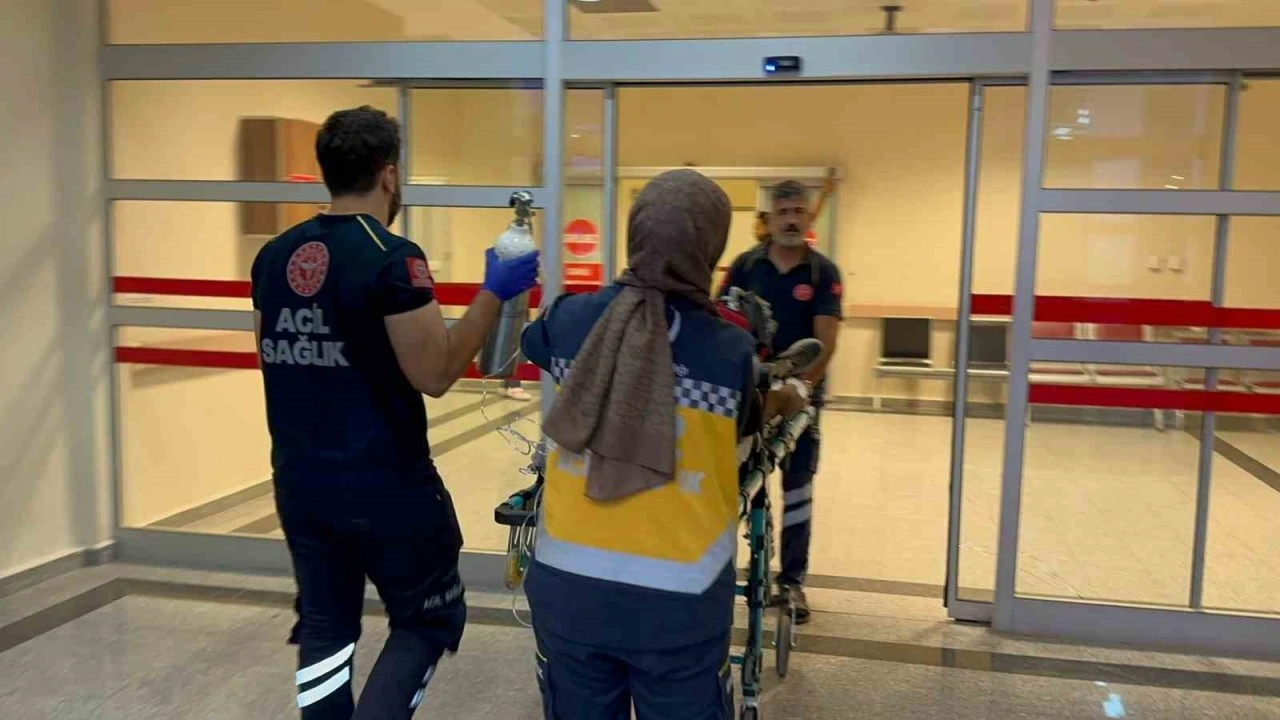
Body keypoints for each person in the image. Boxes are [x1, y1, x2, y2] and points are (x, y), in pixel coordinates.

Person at [250, 105, 540, 720]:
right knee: (428, 618)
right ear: (388, 174)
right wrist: (496, 292)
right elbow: (435, 374)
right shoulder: (391, 257)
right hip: (386, 487)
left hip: (302, 484)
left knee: (326, 628)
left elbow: (274, 359)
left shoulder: (275, 257)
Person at [519, 169, 805, 720]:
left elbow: (529, 343)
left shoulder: (568, 319)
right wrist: (790, 396)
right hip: (680, 599)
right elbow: (749, 424)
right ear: (710, 248)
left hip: (568, 590)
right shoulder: (731, 352)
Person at [722, 179, 842, 624]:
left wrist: (801, 389)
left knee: (797, 490)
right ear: (769, 219)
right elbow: (721, 322)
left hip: (800, 398)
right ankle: (723, 573)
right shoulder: (745, 266)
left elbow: (825, 343)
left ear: (808, 218)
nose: (791, 220)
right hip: (750, 398)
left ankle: (791, 582)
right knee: (737, 486)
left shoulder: (822, 273)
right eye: (783, 212)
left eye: (798, 212)